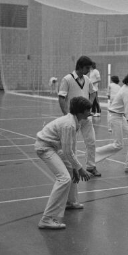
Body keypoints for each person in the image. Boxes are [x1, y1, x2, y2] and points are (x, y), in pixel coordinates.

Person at [35, 96, 92, 229]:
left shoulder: (75, 121)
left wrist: (75, 168)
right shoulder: (69, 124)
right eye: (88, 110)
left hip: (55, 147)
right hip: (45, 148)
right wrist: (80, 168)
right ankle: (47, 219)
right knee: (64, 178)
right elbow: (67, 151)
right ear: (80, 112)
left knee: (71, 171)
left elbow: (71, 148)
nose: (90, 112)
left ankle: (70, 202)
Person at [59, 56, 100, 177]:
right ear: (80, 66)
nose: (88, 70)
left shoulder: (87, 79)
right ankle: (73, 168)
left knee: (91, 141)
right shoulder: (67, 79)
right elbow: (61, 98)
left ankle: (91, 167)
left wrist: (90, 106)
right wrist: (67, 115)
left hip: (86, 117)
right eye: (87, 68)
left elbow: (93, 93)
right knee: (72, 145)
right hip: (73, 117)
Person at [95, 70, 128, 173]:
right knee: (118, 145)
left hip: (119, 116)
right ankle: (93, 155)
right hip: (115, 117)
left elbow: (125, 112)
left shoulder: (127, 88)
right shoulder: (127, 92)